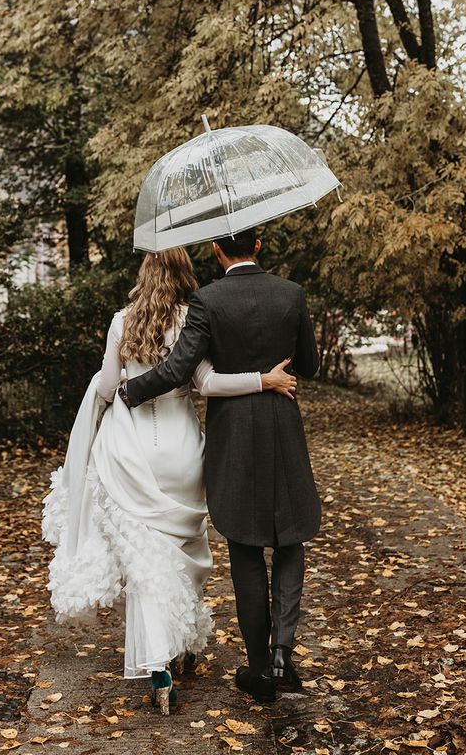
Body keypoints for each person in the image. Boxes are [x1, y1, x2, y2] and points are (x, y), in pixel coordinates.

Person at [41, 245, 296, 715]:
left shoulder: (122, 322)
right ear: (185, 275)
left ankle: (159, 666)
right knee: (182, 551)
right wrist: (263, 380)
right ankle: (181, 646)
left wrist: (113, 376)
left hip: (130, 450)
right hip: (181, 450)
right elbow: (209, 383)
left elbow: (104, 389)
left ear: (144, 272)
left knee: (144, 559)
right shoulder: (192, 322)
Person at [121, 228, 321, 703]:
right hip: (282, 428)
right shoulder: (291, 294)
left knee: (246, 545)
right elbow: (309, 365)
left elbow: (179, 370)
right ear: (260, 244)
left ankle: (258, 668)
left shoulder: (207, 302)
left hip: (234, 438)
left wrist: (130, 392)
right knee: (290, 537)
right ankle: (281, 654)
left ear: (216, 250)